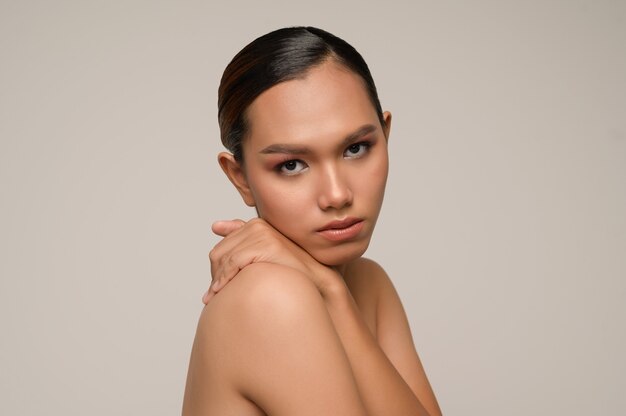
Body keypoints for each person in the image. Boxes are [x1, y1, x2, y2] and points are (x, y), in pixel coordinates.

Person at [182, 26, 442, 416]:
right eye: (291, 165)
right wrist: (328, 291)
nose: (337, 194)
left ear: (385, 136)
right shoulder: (268, 297)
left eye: (356, 148)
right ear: (240, 178)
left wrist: (332, 293)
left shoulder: (368, 283)